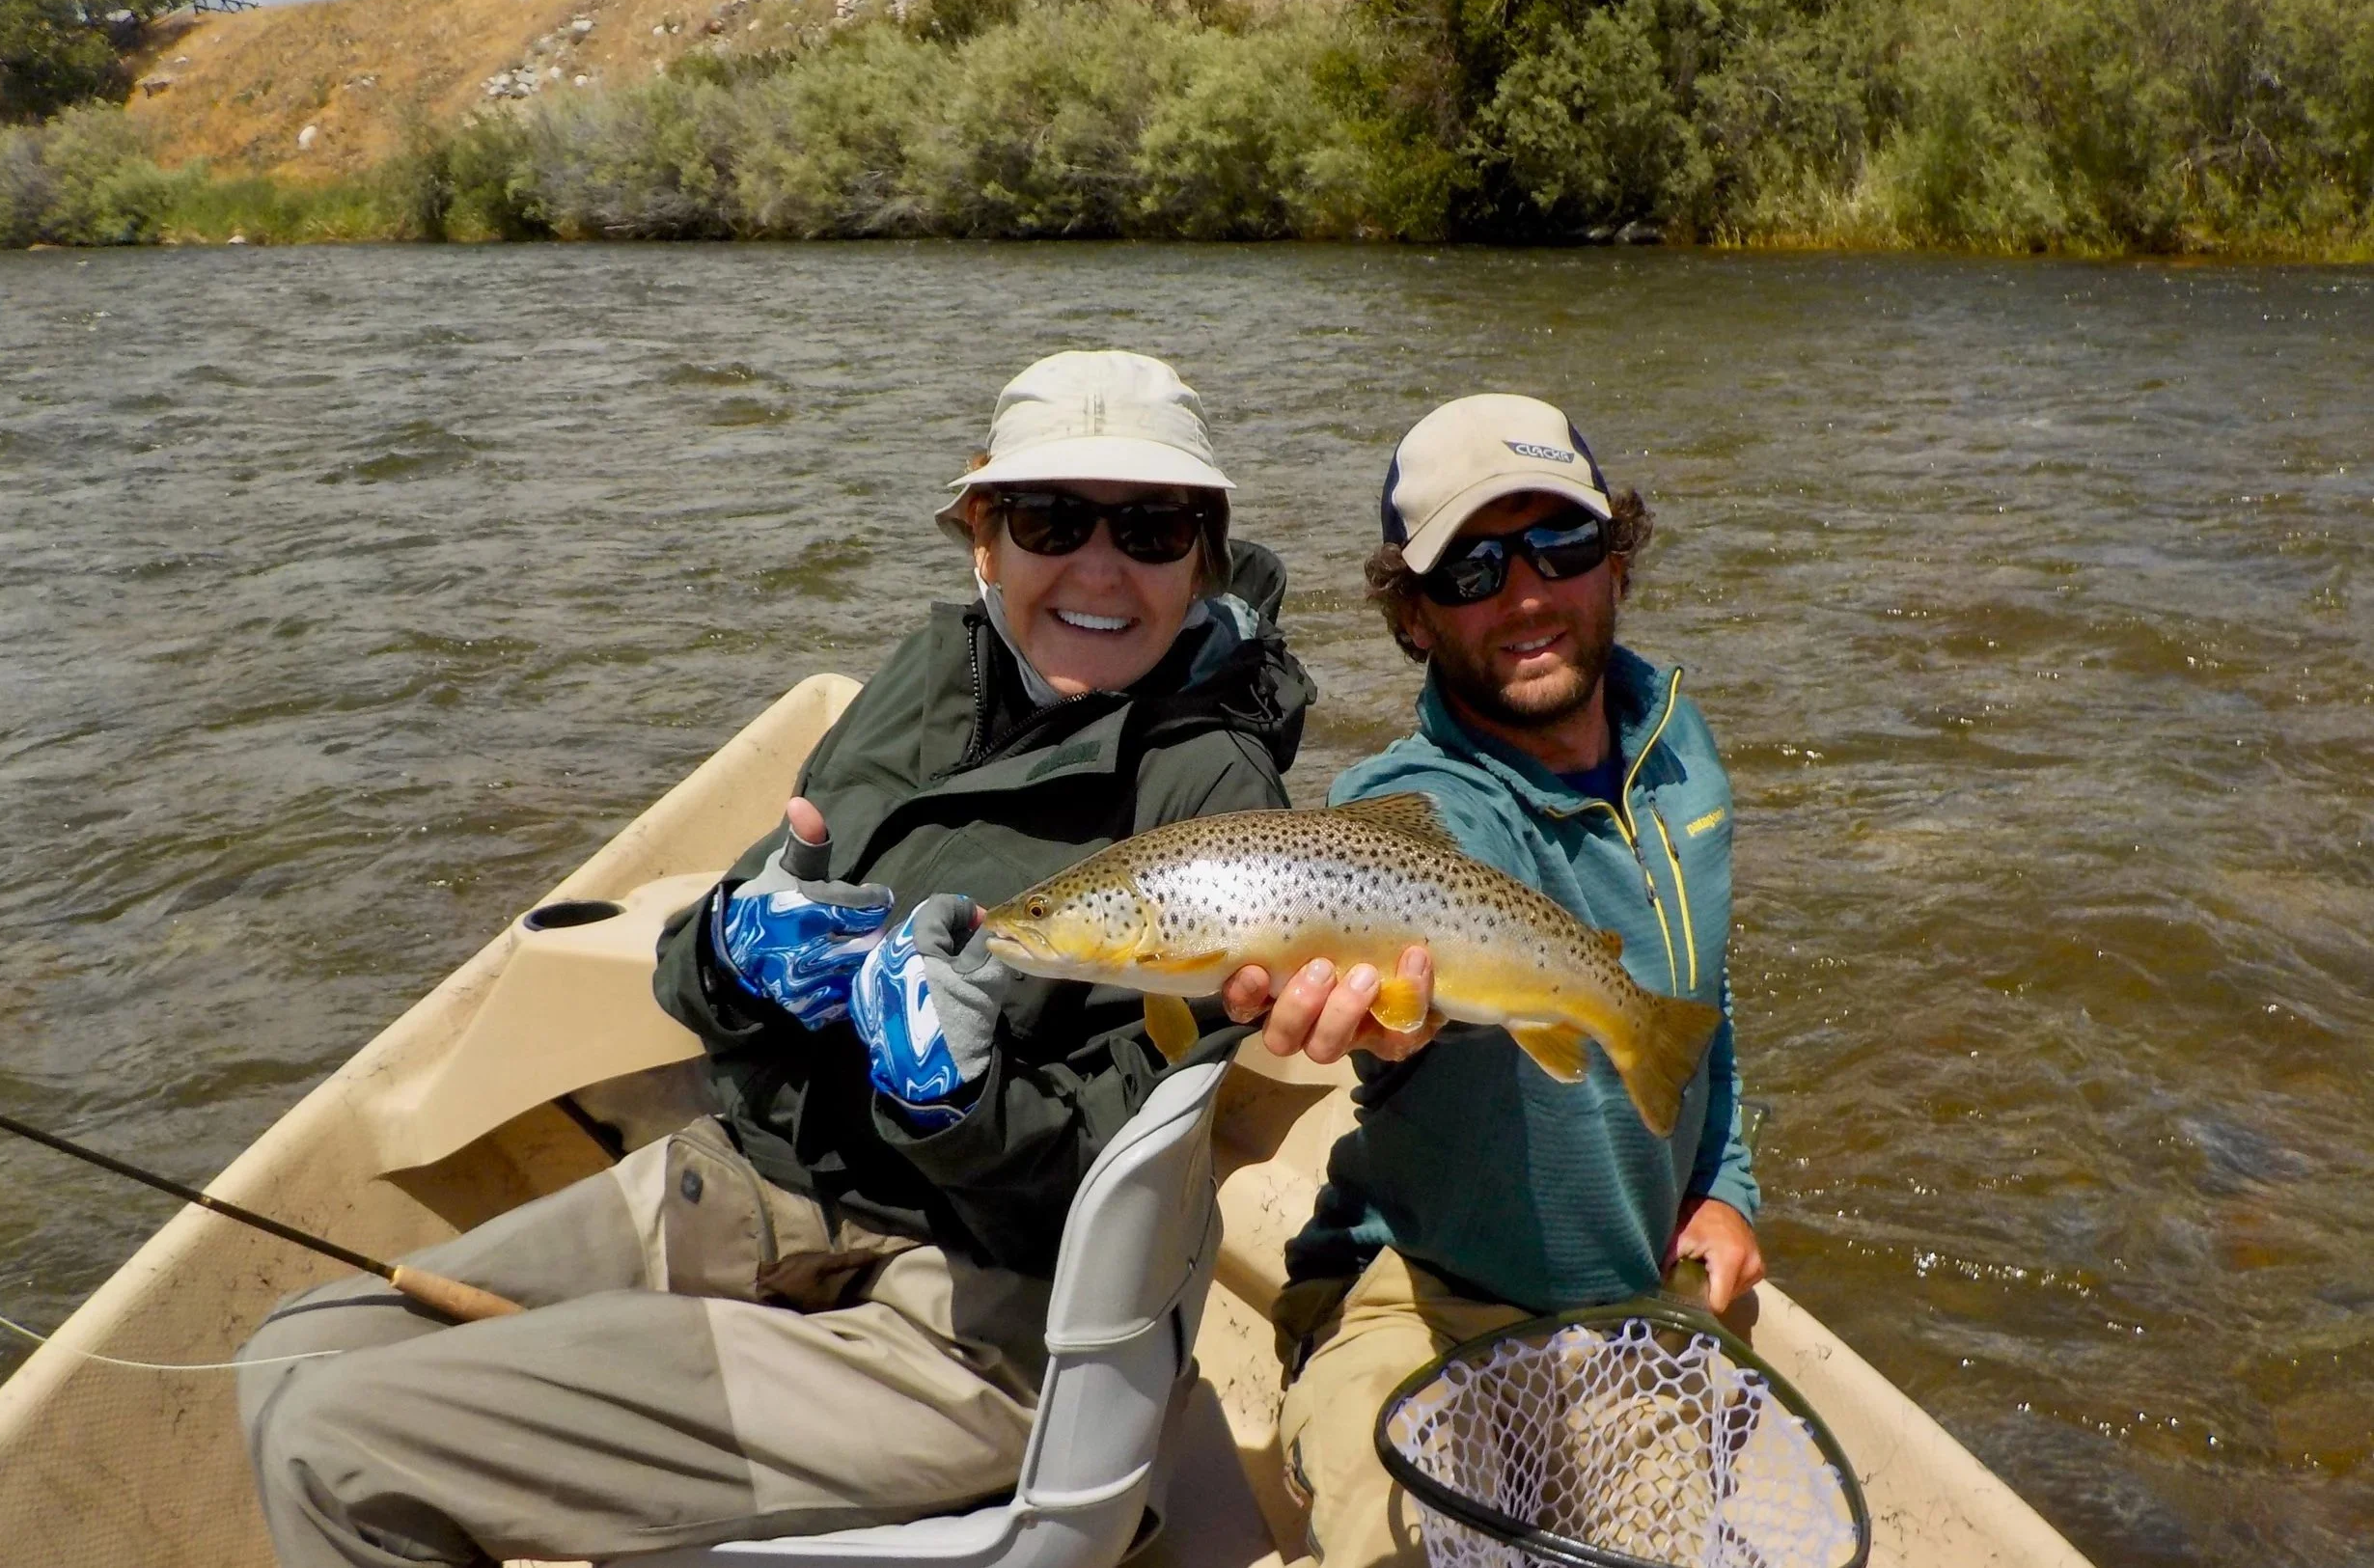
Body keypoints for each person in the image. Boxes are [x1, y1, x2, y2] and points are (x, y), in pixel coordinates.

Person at [234, 350, 1314, 1568]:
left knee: (332, 1441)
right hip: (754, 1180)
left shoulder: (1217, 794)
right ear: (982, 537)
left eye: (1154, 527)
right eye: (1051, 518)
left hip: (962, 1306)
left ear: (1203, 557)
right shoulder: (926, 678)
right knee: (297, 1348)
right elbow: (710, 950)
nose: (1101, 565)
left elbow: (1129, 1187)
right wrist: (735, 954)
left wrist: (959, 1105)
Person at [1226, 394, 1762, 1568]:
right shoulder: (1409, 810)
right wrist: (1373, 1029)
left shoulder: (1680, 743)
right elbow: (1365, 992)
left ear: (1615, 558)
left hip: (1623, 1312)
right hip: (1414, 1295)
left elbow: (1699, 1011)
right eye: (1469, 570)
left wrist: (1723, 1182)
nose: (1524, 594)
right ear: (1411, 616)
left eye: (1559, 546)